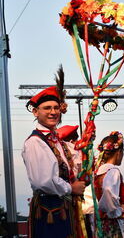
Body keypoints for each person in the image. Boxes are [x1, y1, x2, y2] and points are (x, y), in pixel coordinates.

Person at [22, 86, 86, 238]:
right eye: (47, 108)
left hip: (62, 207)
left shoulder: (57, 141)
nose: (53, 112)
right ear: (35, 112)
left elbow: (70, 170)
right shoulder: (35, 142)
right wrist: (71, 188)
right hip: (49, 209)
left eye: (56, 107)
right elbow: (43, 182)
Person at [94, 131, 124, 238]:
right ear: (119, 152)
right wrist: (117, 210)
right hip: (114, 224)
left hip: (102, 223)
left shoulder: (98, 171)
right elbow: (108, 191)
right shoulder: (113, 171)